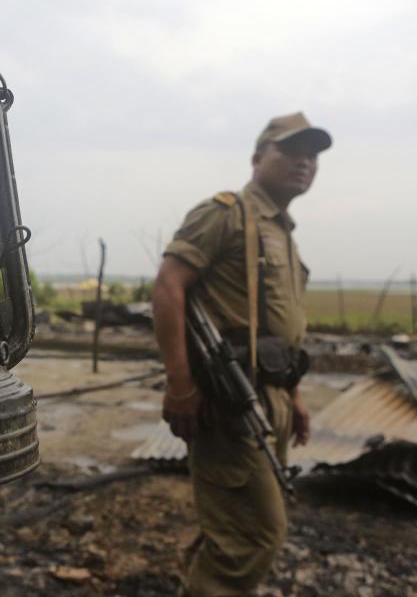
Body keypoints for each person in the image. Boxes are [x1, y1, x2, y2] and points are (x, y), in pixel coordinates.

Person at [153, 112, 331, 596]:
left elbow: (275, 330)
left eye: (312, 155)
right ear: (257, 158)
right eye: (290, 151)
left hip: (268, 396)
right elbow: (169, 287)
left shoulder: (280, 230)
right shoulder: (226, 213)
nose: (304, 162)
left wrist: (292, 396)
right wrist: (180, 385)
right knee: (255, 537)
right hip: (230, 401)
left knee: (233, 532)